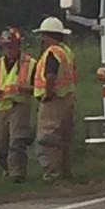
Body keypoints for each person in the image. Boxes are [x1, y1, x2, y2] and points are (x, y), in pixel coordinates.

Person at [31, 17, 78, 180]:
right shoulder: (66, 51)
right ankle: (65, 171)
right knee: (64, 137)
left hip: (54, 99)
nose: (42, 39)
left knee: (48, 137)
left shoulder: (52, 53)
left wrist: (47, 93)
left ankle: (52, 173)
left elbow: (50, 75)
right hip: (67, 97)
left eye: (44, 35)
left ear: (49, 35)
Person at [0, 27, 35, 182]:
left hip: (19, 106)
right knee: (0, 145)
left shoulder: (30, 63)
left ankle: (17, 175)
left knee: (17, 141)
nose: (9, 50)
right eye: (6, 47)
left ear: (18, 46)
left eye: (12, 46)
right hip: (1, 108)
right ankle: (6, 169)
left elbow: (39, 88)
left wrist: (23, 89)